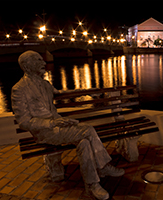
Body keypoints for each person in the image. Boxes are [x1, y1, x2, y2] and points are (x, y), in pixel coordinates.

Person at [11, 50, 124, 200]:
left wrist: (86, 91)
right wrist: (51, 122)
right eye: (38, 60)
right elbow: (24, 122)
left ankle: (92, 185)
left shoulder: (45, 84)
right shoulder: (19, 89)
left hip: (60, 128)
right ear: (26, 66)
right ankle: (102, 167)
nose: (44, 63)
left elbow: (62, 93)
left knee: (84, 143)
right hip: (45, 132)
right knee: (88, 130)